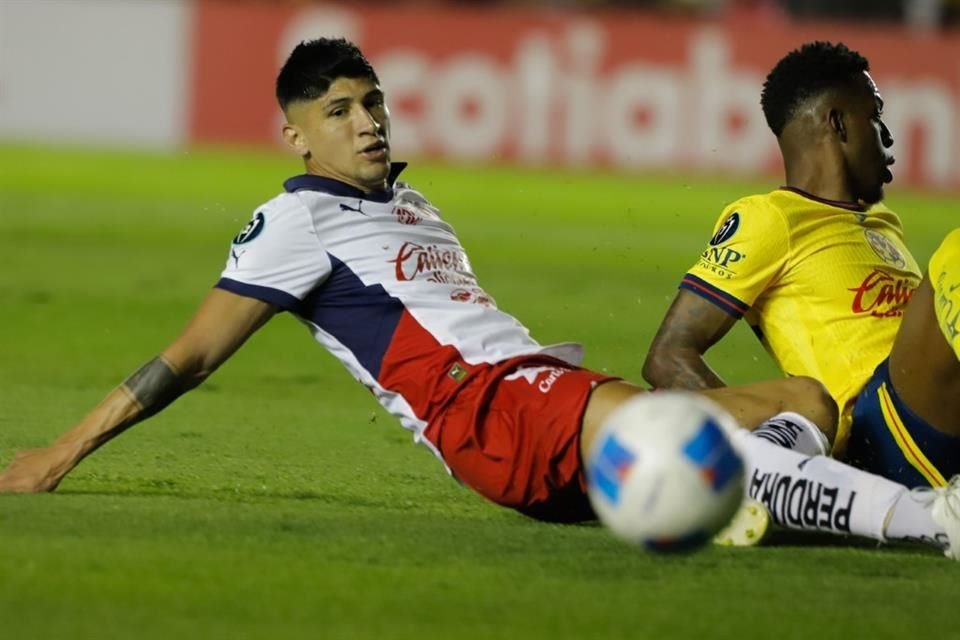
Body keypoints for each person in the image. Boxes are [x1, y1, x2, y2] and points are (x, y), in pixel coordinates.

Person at [1, 38, 957, 557]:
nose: (366, 123)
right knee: (700, 439)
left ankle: (761, 501)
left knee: (803, 402)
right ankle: (927, 522)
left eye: (370, 102)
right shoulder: (295, 223)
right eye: (337, 113)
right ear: (296, 137)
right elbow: (194, 353)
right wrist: (60, 452)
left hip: (538, 388)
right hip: (488, 411)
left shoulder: (409, 202)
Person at [642, 41, 960, 491]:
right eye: (876, 116)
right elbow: (668, 356)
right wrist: (764, 451)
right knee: (956, 252)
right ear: (837, 124)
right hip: (880, 434)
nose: (888, 136)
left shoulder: (883, 223)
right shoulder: (770, 218)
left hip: (934, 411)